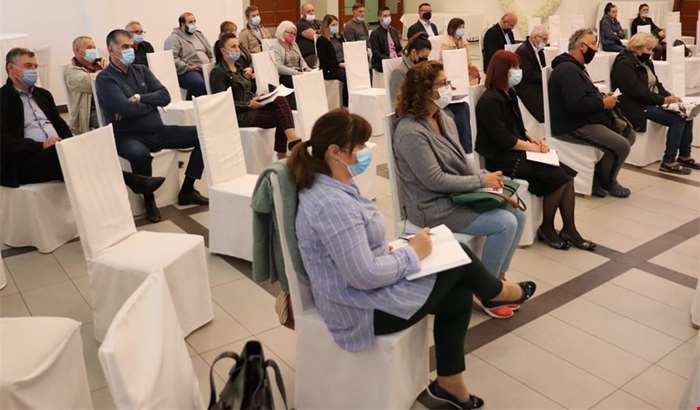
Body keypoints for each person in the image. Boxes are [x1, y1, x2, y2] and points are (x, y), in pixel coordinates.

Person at [290, 108, 537, 409]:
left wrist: (403, 251)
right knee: (458, 257)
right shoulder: (331, 203)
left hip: (369, 288)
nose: (365, 152)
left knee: (459, 292)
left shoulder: (336, 182)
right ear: (334, 152)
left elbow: (360, 254)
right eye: (359, 146)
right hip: (360, 309)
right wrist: (412, 253)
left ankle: (450, 384)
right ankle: (497, 292)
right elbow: (363, 275)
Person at [393, 61, 528, 319]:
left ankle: (499, 279)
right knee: (505, 223)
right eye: (443, 84)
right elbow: (434, 181)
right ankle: (488, 291)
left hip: (457, 194)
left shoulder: (443, 118)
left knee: (518, 215)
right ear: (425, 91)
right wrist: (481, 182)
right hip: (431, 206)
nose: (449, 88)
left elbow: (461, 163)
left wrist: (484, 179)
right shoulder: (410, 132)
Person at [2, 47, 164, 196]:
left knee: (91, 145)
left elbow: (60, 125)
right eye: (28, 66)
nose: (33, 71)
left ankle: (122, 191)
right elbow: (4, 142)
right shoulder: (3, 99)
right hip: (25, 159)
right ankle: (131, 180)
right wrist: (41, 145)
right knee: (64, 155)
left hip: (57, 149)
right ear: (10, 68)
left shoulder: (43, 95)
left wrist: (71, 142)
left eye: (35, 67)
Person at [476, 50, 595, 251]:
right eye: (514, 68)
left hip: (517, 151)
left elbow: (519, 128)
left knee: (567, 175)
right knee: (559, 177)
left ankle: (569, 229)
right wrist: (533, 148)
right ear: (502, 71)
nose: (518, 71)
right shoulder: (490, 101)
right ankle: (547, 228)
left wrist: (535, 140)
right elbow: (504, 139)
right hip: (502, 158)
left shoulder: (509, 93)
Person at [96, 30, 208, 222]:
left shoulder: (141, 70)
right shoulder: (105, 78)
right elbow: (123, 107)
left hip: (157, 130)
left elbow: (165, 96)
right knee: (139, 154)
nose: (130, 50)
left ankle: (188, 189)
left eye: (131, 46)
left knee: (203, 135)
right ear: (110, 49)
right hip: (127, 136)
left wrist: (139, 98)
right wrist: (149, 104)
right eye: (124, 47)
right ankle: (149, 200)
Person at [549, 28, 635, 198]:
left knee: (628, 133)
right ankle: (609, 181)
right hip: (572, 125)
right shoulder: (567, 70)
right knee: (622, 145)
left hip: (584, 119)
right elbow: (575, 104)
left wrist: (603, 97)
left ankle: (600, 176)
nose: (596, 48)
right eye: (593, 44)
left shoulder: (576, 67)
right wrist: (602, 103)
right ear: (582, 47)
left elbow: (586, 93)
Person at [612, 33, 698, 174]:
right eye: (648, 49)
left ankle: (684, 156)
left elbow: (656, 84)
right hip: (634, 106)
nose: (651, 53)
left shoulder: (645, 62)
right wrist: (663, 100)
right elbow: (637, 92)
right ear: (637, 48)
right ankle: (668, 161)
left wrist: (669, 96)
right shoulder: (624, 64)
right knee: (678, 120)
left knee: (687, 114)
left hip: (648, 101)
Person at [210, 33, 301, 159]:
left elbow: (246, 90)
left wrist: (257, 96)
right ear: (223, 50)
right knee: (282, 115)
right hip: (239, 115)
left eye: (238, 46)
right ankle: (286, 149)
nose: (237, 50)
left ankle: (290, 143)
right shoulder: (218, 72)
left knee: (279, 98)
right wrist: (248, 104)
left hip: (251, 106)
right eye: (233, 47)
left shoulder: (239, 68)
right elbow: (222, 103)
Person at [390, 33, 474, 153]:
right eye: (423, 58)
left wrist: (445, 88)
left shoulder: (423, 70)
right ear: (413, 53)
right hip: (419, 108)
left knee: (462, 106)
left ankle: (464, 150)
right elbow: (400, 102)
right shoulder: (400, 72)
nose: (425, 61)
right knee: (455, 114)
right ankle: (461, 150)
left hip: (431, 101)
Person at [164, 12, 213, 99]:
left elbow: (209, 51)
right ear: (182, 24)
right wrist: (188, 67)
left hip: (205, 68)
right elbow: (172, 58)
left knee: (218, 78)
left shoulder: (199, 35)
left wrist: (211, 62)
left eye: (194, 21)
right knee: (198, 83)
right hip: (187, 71)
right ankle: (191, 105)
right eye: (190, 22)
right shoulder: (174, 38)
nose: (193, 24)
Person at [64, 36, 106, 135]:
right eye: (89, 48)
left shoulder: (100, 64)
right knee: (114, 121)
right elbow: (94, 84)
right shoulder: (72, 72)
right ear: (77, 50)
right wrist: (107, 71)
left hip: (109, 105)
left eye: (94, 47)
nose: (93, 50)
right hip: (91, 112)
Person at [270, 20, 311, 109]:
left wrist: (306, 68)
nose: (292, 35)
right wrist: (295, 72)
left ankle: (308, 106)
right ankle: (296, 108)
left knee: (311, 78)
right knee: (299, 81)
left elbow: (301, 59)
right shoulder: (275, 46)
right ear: (282, 31)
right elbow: (278, 67)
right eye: (290, 33)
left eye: (294, 34)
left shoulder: (294, 44)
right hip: (285, 75)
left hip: (298, 73)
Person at [514, 24, 549, 123]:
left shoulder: (539, 49)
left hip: (537, 82)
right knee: (544, 104)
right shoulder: (523, 51)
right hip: (527, 85)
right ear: (535, 37)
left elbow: (542, 68)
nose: (546, 42)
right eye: (544, 39)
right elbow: (528, 74)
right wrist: (545, 78)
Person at [316, 14, 348, 106]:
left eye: (336, 24)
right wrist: (339, 64)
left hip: (343, 64)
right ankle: (346, 105)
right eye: (333, 25)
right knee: (348, 76)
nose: (335, 27)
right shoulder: (321, 40)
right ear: (326, 26)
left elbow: (346, 50)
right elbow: (324, 61)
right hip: (330, 69)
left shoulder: (339, 37)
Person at [441, 18, 482, 86]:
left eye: (463, 27)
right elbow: (443, 63)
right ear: (452, 29)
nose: (462, 29)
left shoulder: (464, 43)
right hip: (451, 74)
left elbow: (469, 61)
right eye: (460, 27)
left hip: (464, 73)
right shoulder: (445, 44)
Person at [369, 7, 402, 74]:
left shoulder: (394, 31)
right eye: (385, 16)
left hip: (395, 59)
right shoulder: (375, 33)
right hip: (382, 62)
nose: (388, 18)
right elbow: (376, 53)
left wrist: (401, 54)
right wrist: (389, 58)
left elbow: (399, 48)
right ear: (379, 17)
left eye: (389, 15)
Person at [296, 3, 321, 67]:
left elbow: (328, 32)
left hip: (320, 52)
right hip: (309, 56)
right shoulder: (300, 23)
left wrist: (317, 32)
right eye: (308, 11)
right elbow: (314, 36)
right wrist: (320, 32)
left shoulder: (318, 22)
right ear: (302, 13)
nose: (311, 13)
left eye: (312, 10)